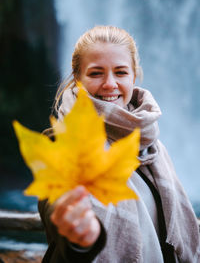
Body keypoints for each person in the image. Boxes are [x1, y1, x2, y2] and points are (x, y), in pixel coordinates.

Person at [38, 25, 200, 263]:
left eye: (121, 72)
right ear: (78, 79)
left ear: (134, 76)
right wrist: (80, 238)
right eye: (96, 73)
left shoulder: (154, 147)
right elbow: (57, 206)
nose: (110, 84)